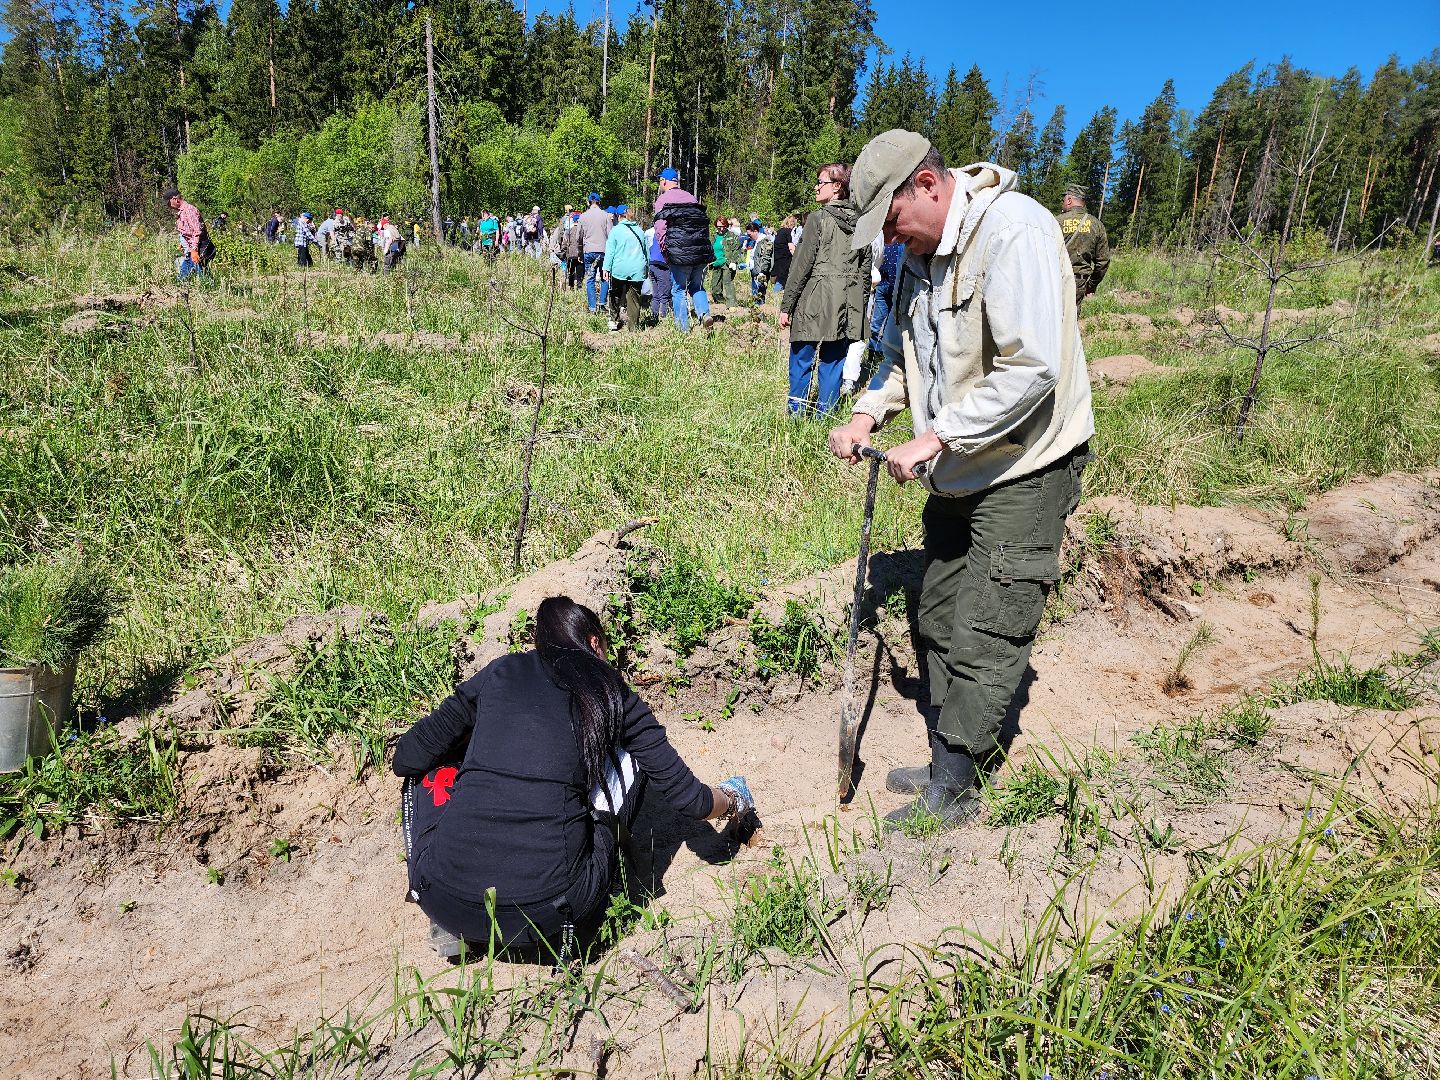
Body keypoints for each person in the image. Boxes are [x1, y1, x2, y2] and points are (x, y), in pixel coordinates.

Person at [827, 130, 1094, 829]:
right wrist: (864, 419)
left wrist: (937, 435)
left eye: (892, 221)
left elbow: (1033, 368)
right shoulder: (915, 257)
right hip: (956, 466)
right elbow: (896, 358)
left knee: (989, 622)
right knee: (940, 610)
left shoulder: (1017, 233)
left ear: (928, 184)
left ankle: (958, 785)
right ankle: (953, 750)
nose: (892, 238)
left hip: (1025, 460)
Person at [393, 596, 755, 958]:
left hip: (442, 899)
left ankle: (454, 923)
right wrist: (733, 797)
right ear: (595, 643)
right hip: (552, 911)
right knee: (627, 760)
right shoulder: (613, 692)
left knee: (431, 765)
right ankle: (616, 887)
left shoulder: (500, 672)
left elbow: (407, 758)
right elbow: (691, 800)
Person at [779, 164, 871, 416]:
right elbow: (865, 270)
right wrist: (859, 307)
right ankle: (825, 417)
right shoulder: (863, 223)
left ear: (837, 187)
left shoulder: (818, 219)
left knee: (801, 358)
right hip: (848, 302)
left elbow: (800, 266)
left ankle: (797, 415)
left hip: (815, 298)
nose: (816, 187)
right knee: (833, 362)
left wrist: (786, 306)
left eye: (821, 182)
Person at [652, 167, 713, 332]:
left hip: (679, 252)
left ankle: (683, 329)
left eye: (660, 181)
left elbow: (660, 228)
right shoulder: (691, 198)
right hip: (699, 252)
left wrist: (665, 250)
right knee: (697, 286)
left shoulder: (663, 200)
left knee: (678, 289)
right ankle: (705, 314)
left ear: (664, 181)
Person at [1056, 184, 1110, 308]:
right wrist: (1091, 285)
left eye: (1064, 200)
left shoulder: (1056, 221)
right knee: (1071, 321)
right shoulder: (1096, 225)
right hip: (1078, 283)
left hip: (1055, 280)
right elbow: (1103, 261)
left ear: (1069, 200)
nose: (1062, 203)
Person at [603, 205, 648, 331]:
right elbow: (646, 253)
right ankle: (633, 327)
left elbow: (610, 252)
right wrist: (647, 269)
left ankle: (613, 320)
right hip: (637, 269)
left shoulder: (616, 231)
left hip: (620, 268)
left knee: (615, 293)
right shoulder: (640, 230)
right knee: (634, 298)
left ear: (618, 216)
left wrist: (606, 268)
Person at [165, 187, 213, 282]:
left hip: (198, 248)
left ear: (175, 199)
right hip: (191, 249)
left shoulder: (189, 210)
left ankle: (209, 291)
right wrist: (183, 242)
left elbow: (197, 231)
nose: (168, 206)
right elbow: (188, 231)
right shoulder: (182, 212)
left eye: (168, 202)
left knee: (202, 276)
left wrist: (194, 250)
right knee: (196, 274)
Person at [578, 193, 612, 314]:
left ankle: (592, 307)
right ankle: (602, 304)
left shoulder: (583, 217)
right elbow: (610, 235)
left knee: (590, 279)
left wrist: (580, 252)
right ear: (599, 202)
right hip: (603, 252)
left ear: (589, 202)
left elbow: (579, 237)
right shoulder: (606, 216)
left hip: (589, 252)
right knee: (604, 278)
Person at [645, 218, 671, 323]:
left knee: (655, 293)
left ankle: (654, 315)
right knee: (664, 292)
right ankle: (663, 315)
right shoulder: (667, 235)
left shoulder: (656, 234)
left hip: (652, 263)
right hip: (662, 265)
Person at [710, 217, 740, 306]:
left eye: (723, 226)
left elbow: (736, 249)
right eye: (719, 227)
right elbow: (710, 249)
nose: (721, 228)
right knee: (715, 286)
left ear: (727, 225)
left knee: (727, 282)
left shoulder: (732, 236)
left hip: (727, 263)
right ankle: (720, 302)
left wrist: (734, 261)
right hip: (716, 263)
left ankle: (731, 304)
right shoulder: (713, 236)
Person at [771, 214, 796, 295]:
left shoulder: (779, 231)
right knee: (782, 279)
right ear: (791, 223)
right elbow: (791, 247)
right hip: (785, 259)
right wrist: (796, 257)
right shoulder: (788, 232)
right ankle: (774, 294)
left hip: (778, 258)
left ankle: (776, 295)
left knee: (780, 278)